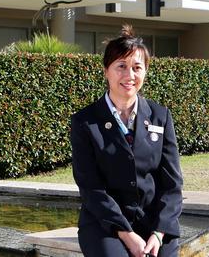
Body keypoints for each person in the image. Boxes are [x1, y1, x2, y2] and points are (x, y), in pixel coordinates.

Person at [70, 25, 183, 257]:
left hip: (154, 223)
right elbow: (90, 187)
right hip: (105, 224)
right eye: (121, 66)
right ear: (106, 71)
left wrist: (159, 233)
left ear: (145, 72)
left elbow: (172, 184)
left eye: (137, 67)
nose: (129, 75)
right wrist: (125, 233)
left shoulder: (160, 116)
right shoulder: (85, 121)